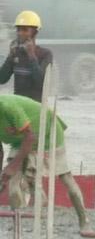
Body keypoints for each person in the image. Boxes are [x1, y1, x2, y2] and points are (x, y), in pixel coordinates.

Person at [0, 94, 89, 230]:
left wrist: (12, 166)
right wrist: (3, 175)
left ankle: (84, 222)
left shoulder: (7, 107)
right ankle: (18, 226)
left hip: (47, 134)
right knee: (13, 185)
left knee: (65, 177)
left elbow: (30, 137)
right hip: (19, 140)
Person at [0, 11, 53, 102]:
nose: (20, 33)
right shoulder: (16, 54)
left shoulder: (45, 54)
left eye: (25, 30)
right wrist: (10, 57)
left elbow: (41, 83)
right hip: (19, 105)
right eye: (18, 29)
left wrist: (31, 56)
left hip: (35, 106)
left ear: (35, 32)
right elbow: (2, 79)